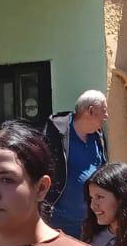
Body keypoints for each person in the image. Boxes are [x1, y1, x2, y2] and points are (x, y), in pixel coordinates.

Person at [42, 90, 110, 237]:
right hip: (60, 222)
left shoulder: (98, 136)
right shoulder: (57, 134)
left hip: (92, 221)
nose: (106, 116)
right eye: (103, 111)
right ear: (90, 111)